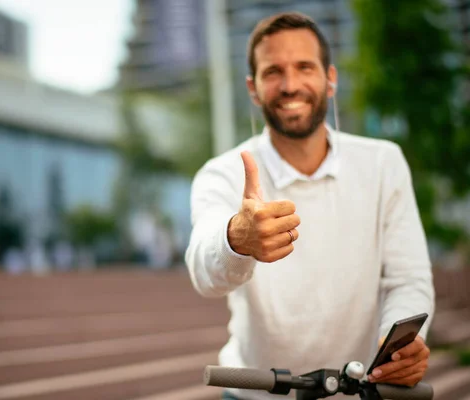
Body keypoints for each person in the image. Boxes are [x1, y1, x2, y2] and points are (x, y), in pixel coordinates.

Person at [185, 12, 434, 400]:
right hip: (255, 392)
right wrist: (237, 238)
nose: (290, 84)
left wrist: (398, 343)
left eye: (304, 67)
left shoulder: (384, 163)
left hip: (361, 390)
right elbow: (204, 272)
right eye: (273, 72)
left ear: (330, 79)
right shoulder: (220, 174)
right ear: (253, 88)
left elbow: (408, 279)